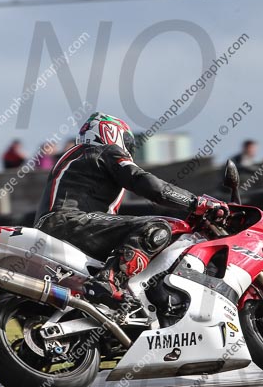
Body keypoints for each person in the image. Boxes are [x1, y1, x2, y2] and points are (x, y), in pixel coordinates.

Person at [34, 112, 228, 308]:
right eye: (127, 141)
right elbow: (151, 186)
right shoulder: (104, 151)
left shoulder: (80, 158)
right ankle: (108, 280)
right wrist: (196, 202)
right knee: (157, 227)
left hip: (59, 225)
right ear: (109, 132)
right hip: (71, 222)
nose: (129, 147)